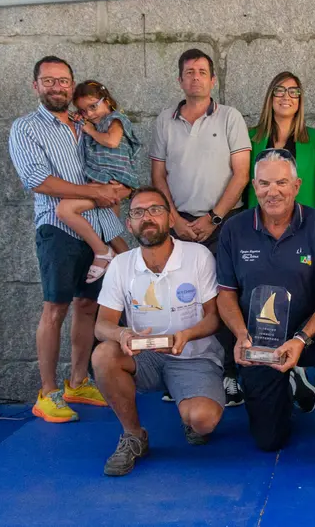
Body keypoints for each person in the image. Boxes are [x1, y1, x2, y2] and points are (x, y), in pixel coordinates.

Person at [216, 150, 315, 481]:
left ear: (297, 186)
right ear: (253, 186)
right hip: (258, 338)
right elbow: (225, 294)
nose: (272, 191)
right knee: (269, 441)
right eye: (264, 183)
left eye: (281, 182)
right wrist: (239, 335)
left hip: (311, 332)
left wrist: (301, 338)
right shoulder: (235, 229)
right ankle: (289, 383)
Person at [9, 55, 129, 423]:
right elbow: (38, 181)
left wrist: (116, 190)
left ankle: (77, 382)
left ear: (72, 85)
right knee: (56, 309)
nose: (56, 87)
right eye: (48, 81)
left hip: (97, 225)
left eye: (63, 81)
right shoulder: (26, 128)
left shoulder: (85, 122)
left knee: (88, 307)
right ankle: (47, 393)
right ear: (36, 86)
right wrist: (95, 193)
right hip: (57, 228)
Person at [92, 186, 225, 476]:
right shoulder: (121, 264)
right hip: (145, 356)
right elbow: (102, 325)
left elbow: (215, 318)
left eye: (155, 210)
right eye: (138, 212)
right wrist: (122, 335)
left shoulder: (198, 256)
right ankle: (133, 436)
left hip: (193, 355)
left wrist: (185, 336)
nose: (147, 218)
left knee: (203, 420)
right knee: (103, 355)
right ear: (129, 224)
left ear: (170, 219)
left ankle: (187, 411)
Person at [150, 48, 252, 407]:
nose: (195, 77)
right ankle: (177, 371)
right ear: (180, 79)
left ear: (213, 80)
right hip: (176, 225)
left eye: (202, 71)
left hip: (225, 224)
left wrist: (214, 219)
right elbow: (158, 175)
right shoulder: (164, 120)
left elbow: (242, 174)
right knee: (183, 302)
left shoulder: (229, 117)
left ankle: (228, 374)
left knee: (225, 299)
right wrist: (175, 220)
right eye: (189, 72)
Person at [56, 80, 141, 283]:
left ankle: (102, 252)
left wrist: (89, 130)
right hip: (105, 184)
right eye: (84, 111)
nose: (90, 114)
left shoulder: (116, 119)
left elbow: (112, 141)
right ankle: (135, 276)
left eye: (93, 106)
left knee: (64, 210)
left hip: (114, 184)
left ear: (108, 100)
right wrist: (81, 122)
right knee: (110, 232)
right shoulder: (92, 123)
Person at [247, 72, 315, 210]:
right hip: (259, 222)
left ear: (299, 100)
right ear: (270, 98)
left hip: (305, 223)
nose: (286, 97)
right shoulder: (251, 137)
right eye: (279, 91)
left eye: (293, 92)